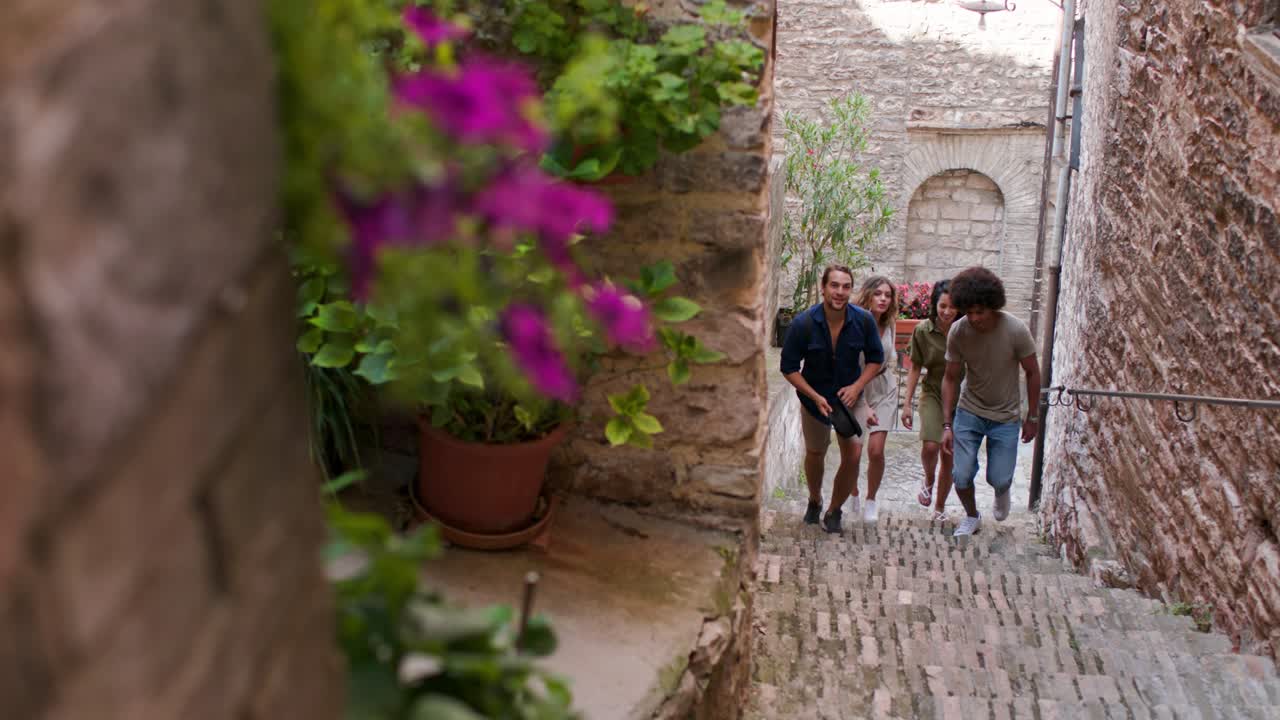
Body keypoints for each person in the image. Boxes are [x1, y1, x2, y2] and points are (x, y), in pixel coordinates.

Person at [780, 265, 884, 534]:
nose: (840, 292)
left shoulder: (863, 320)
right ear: (824, 287)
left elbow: (876, 359)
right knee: (816, 453)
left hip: (851, 397)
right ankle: (815, 500)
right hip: (814, 398)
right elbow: (789, 367)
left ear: (851, 289)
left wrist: (858, 385)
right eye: (834, 285)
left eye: (846, 286)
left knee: (854, 453)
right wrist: (813, 396)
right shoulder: (803, 323)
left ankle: (835, 510)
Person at [940, 267, 1041, 537]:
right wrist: (946, 425)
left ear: (993, 307)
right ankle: (972, 516)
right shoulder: (959, 332)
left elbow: (1033, 371)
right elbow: (950, 378)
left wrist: (1032, 417)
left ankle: (1001, 489)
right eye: (969, 312)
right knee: (960, 476)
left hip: (1006, 416)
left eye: (980, 312)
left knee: (1000, 478)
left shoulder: (1015, 329)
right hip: (969, 410)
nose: (974, 318)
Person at [902, 280, 961, 521]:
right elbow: (915, 367)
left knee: (949, 456)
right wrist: (907, 403)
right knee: (931, 446)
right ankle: (928, 478)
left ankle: (939, 507)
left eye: (953, 306)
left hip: (962, 399)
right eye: (942, 306)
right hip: (933, 393)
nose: (947, 312)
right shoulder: (923, 331)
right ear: (935, 305)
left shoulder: (966, 331)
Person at [848, 275, 900, 525]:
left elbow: (890, 357)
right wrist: (862, 402)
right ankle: (853, 492)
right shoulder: (854, 322)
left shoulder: (890, 323)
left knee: (876, 450)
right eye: (878, 293)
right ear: (868, 294)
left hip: (883, 387)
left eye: (887, 295)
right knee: (854, 453)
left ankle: (871, 498)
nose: (883, 299)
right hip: (857, 387)